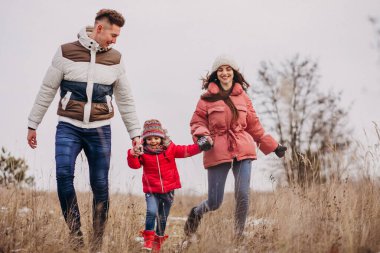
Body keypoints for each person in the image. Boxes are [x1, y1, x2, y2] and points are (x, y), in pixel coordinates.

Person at [26, 9, 142, 252]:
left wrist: (135, 134)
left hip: (100, 129)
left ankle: (97, 242)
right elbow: (47, 89)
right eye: (113, 34)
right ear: (99, 28)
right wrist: (33, 123)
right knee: (63, 177)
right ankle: (75, 234)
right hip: (68, 126)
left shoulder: (116, 59)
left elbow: (126, 99)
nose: (115, 40)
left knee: (100, 184)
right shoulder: (65, 52)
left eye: (118, 36)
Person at [184, 55, 287, 240]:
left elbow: (254, 125)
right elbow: (197, 123)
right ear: (216, 74)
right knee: (215, 202)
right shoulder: (206, 99)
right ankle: (196, 213)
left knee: (243, 194)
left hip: (243, 148)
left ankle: (238, 235)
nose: (225, 73)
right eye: (221, 70)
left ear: (234, 72)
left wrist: (273, 146)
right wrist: (203, 138)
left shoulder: (243, 97)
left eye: (228, 69)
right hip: (217, 149)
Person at [127, 119, 207, 252]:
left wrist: (200, 146)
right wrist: (132, 154)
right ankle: (148, 241)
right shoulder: (143, 152)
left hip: (168, 190)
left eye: (156, 138)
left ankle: (157, 242)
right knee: (151, 212)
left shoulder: (170, 148)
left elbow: (186, 150)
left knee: (162, 218)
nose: (153, 141)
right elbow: (134, 165)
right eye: (149, 139)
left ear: (162, 137)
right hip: (151, 190)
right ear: (144, 140)